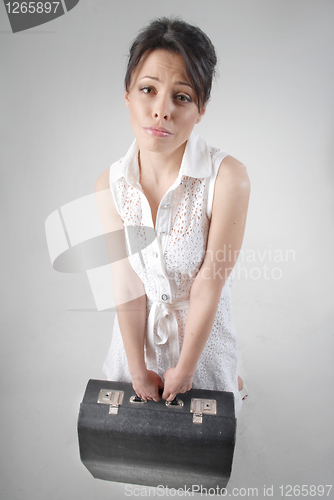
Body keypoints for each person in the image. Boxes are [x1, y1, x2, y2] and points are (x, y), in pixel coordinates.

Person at [95, 17, 250, 413]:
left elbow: (208, 285)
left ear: (200, 109)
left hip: (202, 334)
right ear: (127, 95)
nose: (161, 110)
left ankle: (229, 376)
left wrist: (185, 368)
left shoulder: (227, 177)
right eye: (148, 90)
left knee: (205, 449)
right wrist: (137, 368)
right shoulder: (108, 184)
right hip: (137, 336)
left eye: (181, 97)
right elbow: (127, 284)